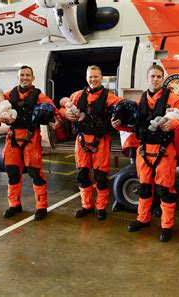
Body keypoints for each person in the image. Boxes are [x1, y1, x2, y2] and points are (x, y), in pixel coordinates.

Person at [112, 65, 179, 242]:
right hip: (144, 150)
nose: (155, 79)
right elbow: (132, 125)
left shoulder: (172, 99)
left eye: (159, 76)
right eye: (152, 76)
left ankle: (166, 225)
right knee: (143, 187)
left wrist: (173, 125)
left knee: (165, 190)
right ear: (147, 77)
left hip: (164, 151)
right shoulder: (140, 99)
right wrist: (118, 125)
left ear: (162, 78)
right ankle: (143, 218)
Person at [0, 65, 59, 221]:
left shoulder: (39, 96)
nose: (24, 77)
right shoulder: (9, 95)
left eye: (27, 75)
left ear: (33, 78)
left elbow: (53, 110)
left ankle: (41, 206)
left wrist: (57, 122)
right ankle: (14, 205)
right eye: (22, 75)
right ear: (18, 78)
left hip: (31, 137)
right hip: (13, 137)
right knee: (12, 172)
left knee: (36, 174)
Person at [61, 65, 121, 221]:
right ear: (86, 78)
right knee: (82, 175)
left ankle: (101, 207)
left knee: (101, 177)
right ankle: (86, 205)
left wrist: (119, 122)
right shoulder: (77, 96)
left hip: (100, 140)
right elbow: (62, 108)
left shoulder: (110, 97)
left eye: (96, 76)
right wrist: (67, 114)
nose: (93, 79)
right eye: (90, 77)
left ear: (101, 78)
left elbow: (122, 110)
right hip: (81, 140)